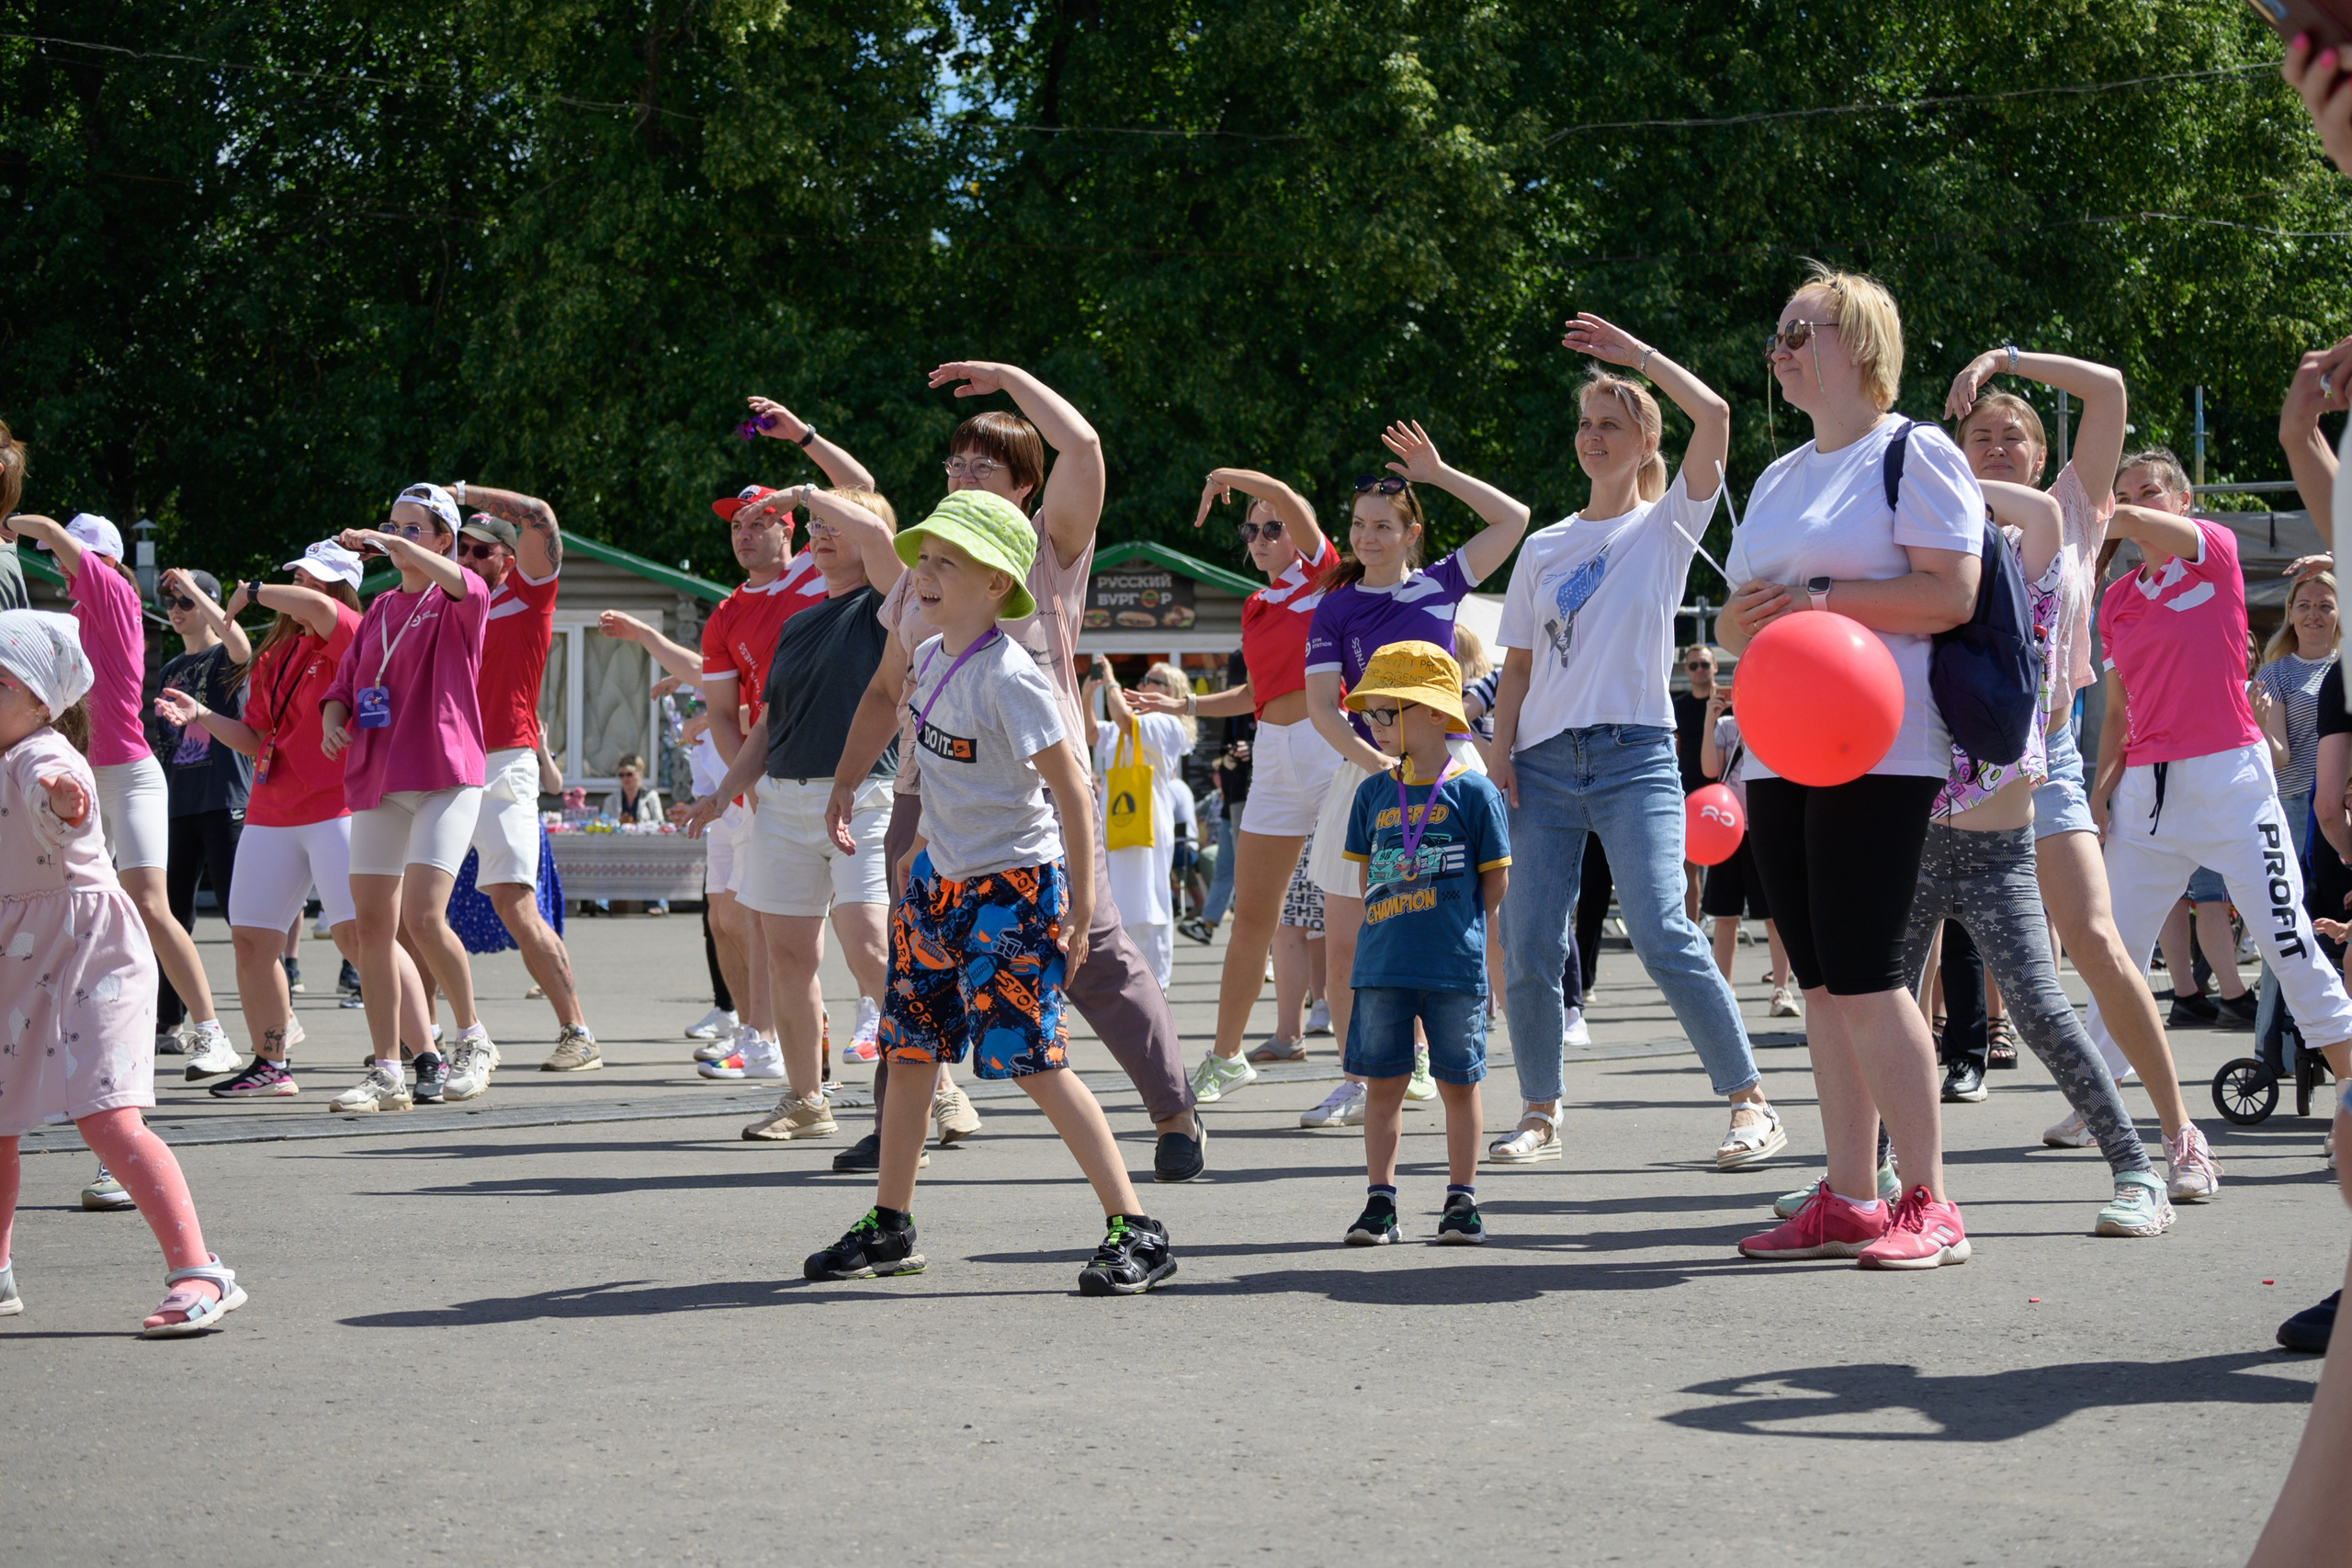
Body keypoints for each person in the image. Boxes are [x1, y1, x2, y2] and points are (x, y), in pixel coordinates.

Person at [806, 489, 1178, 1294]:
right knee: (909, 1053)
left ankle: (1136, 1227)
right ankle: (892, 1224)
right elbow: (906, 736)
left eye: (947, 562)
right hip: (941, 887)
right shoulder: (931, 655)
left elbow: (1074, 790)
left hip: (1014, 889)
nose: (925, 574)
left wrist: (1080, 902)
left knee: (1031, 1061)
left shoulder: (1011, 675)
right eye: (925, 558)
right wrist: (857, 797)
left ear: (996, 581)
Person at [1719, 266, 1984, 1269]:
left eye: (1799, 332)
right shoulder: (1781, 475)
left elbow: (1949, 593)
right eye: (1777, 335)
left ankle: (1931, 1201)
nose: (1778, 350)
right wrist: (1756, 618)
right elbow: (1760, 602)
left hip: (1881, 742)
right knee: (1822, 980)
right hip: (1778, 743)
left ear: (1859, 342)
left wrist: (1819, 597)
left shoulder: (1914, 452)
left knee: (1871, 973)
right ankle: (1847, 1194)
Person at [891, 361, 1203, 1179]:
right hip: (937, 784)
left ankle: (1172, 1113)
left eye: (981, 464)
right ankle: (903, 1134)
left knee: (1094, 954)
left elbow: (1085, 442)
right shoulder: (925, 568)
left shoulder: (1047, 548)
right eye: (952, 463)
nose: (960, 473)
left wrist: (1002, 377)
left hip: (1038, 793)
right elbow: (886, 684)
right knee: (916, 966)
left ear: (1028, 487)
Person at [1486, 315, 1779, 1168]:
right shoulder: (1543, 546)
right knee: (1530, 941)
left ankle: (1750, 1101)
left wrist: (1640, 358)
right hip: (1541, 761)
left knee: (1662, 928)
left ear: (1646, 437)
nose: (1591, 437)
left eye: (1610, 423)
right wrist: (1500, 752)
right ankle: (1540, 1109)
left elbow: (1716, 417)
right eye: (1584, 424)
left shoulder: (1666, 528)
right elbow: (1518, 666)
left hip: (1634, 756)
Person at [1937, 347, 2219, 1182]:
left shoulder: (2075, 509)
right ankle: (1879, 1159)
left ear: (2039, 454)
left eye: (2013, 435)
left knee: (2095, 939)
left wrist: (2004, 359)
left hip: (2046, 751)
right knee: (1904, 960)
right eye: (1980, 433)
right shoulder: (1947, 515)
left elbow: (2110, 391)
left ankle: (2178, 1137)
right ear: (1958, 451)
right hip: (1950, 754)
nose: (1995, 445)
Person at [601, 393, 876, 1070]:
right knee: (746, 918)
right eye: (737, 526)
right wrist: (740, 786)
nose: (746, 533)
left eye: (761, 521)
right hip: (771, 770)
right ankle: (768, 1046)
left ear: (794, 530)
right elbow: (727, 713)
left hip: (862, 765)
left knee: (863, 919)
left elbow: (862, 494)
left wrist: (803, 439)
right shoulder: (725, 615)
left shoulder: (823, 569)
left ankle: (883, 1021)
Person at [2089, 449, 2352, 1145]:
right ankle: (2098, 1101)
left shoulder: (2217, 552)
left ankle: (2350, 1091)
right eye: (2124, 492)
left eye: (2149, 490)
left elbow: (2143, 522)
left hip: (2231, 782)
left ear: (2182, 501)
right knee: (2114, 948)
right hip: (2148, 791)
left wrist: (2105, 509)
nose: (2135, 502)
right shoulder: (2116, 599)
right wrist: (2100, 792)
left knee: (2288, 939)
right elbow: (2117, 712)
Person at [0, 609, 247, 1336]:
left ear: (43, 702)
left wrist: (66, 800)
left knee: (107, 1114)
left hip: (92, 950)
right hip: (22, 952)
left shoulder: (43, 754)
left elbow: (58, 792)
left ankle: (201, 1271)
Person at [1278, 420, 1528, 1131]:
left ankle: (1481, 1075)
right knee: (1349, 941)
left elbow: (1514, 519)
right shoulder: (1336, 605)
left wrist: (1439, 472)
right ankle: (1359, 1076)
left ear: (1411, 531)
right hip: (1367, 779)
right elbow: (1326, 708)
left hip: (1449, 777)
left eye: (1385, 525)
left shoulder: (1445, 583)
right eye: (1359, 525)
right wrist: (1378, 765)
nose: (1369, 537)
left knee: (1475, 928)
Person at [152, 541, 429, 1100]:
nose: (300, 584)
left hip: (337, 808)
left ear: (334, 588)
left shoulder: (348, 627)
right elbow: (256, 738)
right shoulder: (277, 652)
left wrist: (249, 593)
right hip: (271, 808)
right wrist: (202, 715)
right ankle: (271, 1062)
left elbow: (321, 610)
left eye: (311, 578)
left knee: (360, 937)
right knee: (251, 940)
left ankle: (425, 1054)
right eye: (299, 575)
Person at [684, 479, 903, 1141]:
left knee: (868, 945)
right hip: (782, 797)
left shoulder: (891, 606)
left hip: (864, 794)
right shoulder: (800, 622)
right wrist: (726, 791)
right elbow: (768, 724)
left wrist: (810, 489)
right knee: (786, 953)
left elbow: (879, 539)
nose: (822, 535)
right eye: (817, 528)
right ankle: (807, 1099)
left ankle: (937, 1087)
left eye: (837, 526)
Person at [9, 513, 235, 1088]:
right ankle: (67, 1030)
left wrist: (10, 515)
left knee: (149, 905)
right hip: (81, 776)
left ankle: (210, 1033)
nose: (59, 565)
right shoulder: (77, 614)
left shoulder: (112, 593)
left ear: (103, 560)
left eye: (69, 557)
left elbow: (56, 538)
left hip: (131, 776)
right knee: (72, 903)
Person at [1137, 474, 1339, 1077]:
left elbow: (1295, 501)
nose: (1258, 536)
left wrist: (1229, 478)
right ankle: (1225, 1056)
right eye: (1250, 528)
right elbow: (1254, 692)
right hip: (1273, 750)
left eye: (1271, 526)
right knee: (1254, 915)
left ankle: (1401, 1056)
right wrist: (1184, 706)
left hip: (1331, 745)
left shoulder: (1321, 575)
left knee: (1362, 909)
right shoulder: (1257, 606)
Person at [320, 483, 499, 1111]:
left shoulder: (461, 594)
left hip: (445, 774)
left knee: (423, 916)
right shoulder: (377, 610)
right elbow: (344, 684)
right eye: (393, 526)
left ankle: (473, 1039)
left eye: (415, 529)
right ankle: (387, 1070)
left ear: (445, 540)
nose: (399, 538)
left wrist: (396, 545)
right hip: (378, 776)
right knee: (372, 926)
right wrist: (332, 718)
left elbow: (461, 584)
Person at [422, 491, 605, 1072]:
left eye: (484, 551)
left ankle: (577, 1032)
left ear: (509, 558)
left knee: (516, 903)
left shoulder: (529, 596)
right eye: (464, 550)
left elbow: (543, 516)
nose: (471, 559)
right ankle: (420, 1037)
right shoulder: (441, 602)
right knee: (418, 909)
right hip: (443, 763)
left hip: (505, 763)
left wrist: (461, 495)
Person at [1336, 642, 1509, 1247]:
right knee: (1383, 1084)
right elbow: (1367, 881)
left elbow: (1495, 882)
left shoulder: (1476, 793)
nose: (1375, 726)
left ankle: (1461, 1200)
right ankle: (1379, 1202)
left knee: (1459, 1083)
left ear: (1436, 712)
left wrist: (1461, 936)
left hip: (1453, 965)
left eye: (1389, 713)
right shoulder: (1373, 794)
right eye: (1372, 714)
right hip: (1382, 965)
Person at [147, 567, 254, 1080]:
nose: (175, 609)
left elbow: (238, 643)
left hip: (225, 795)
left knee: (244, 915)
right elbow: (162, 742)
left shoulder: (226, 657)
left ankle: (279, 1016)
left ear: (208, 603)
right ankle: (169, 1021)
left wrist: (195, 588)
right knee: (172, 914)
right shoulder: (170, 667)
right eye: (170, 601)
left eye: (185, 601)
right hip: (178, 799)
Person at [1089, 659, 1193, 988]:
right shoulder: (1130, 728)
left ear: (1172, 693)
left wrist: (1110, 683)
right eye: (1145, 679)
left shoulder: (1167, 724)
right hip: (1122, 827)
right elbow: (1091, 732)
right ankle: (1127, 977)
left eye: (1153, 681)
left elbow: (1120, 717)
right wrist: (1087, 689)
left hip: (1148, 828)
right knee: (1119, 899)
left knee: (1149, 901)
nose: (1144, 684)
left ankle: (1155, 981)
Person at [1695, 679, 1798, 1012]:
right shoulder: (1727, 725)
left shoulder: (1776, 717)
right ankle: (1725, 990)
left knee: (1774, 916)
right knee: (1725, 915)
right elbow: (1710, 769)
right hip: (1727, 830)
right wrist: (1710, 718)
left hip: (1765, 828)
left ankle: (1782, 990)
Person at [1673, 643, 1722, 921]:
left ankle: (1725, 922)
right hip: (1688, 792)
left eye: (1705, 664)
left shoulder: (1730, 702)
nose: (1700, 670)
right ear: (1687, 671)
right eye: (1694, 665)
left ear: (1715, 666)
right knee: (1687, 867)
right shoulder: (1678, 707)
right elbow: (1674, 751)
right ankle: (1692, 930)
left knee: (1726, 868)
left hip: (1725, 792)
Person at [604, 752, 663, 824]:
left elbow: (660, 823)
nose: (625, 779)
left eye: (629, 774)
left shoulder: (651, 797)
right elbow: (604, 825)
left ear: (640, 774)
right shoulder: (611, 800)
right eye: (621, 775)